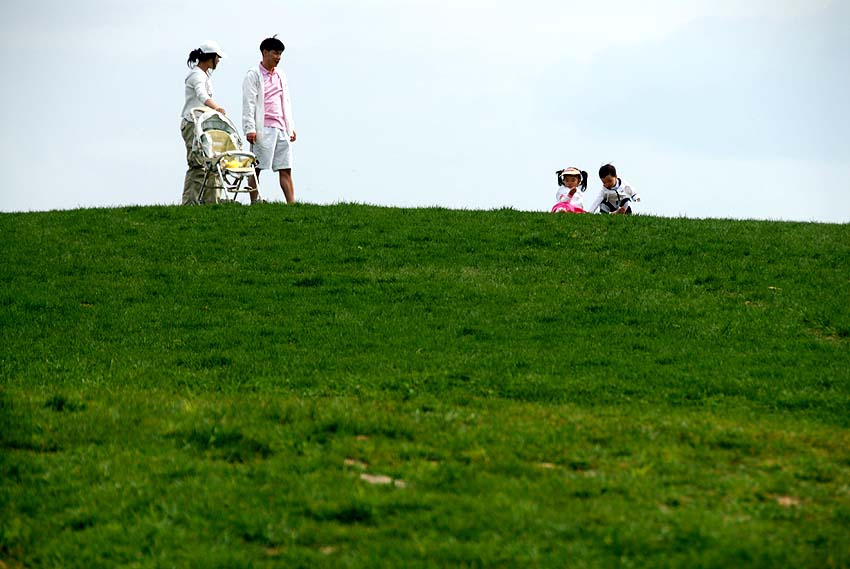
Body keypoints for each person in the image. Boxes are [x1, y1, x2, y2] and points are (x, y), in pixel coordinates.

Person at [242, 35, 297, 204]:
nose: (278, 57)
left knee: (286, 168)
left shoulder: (281, 74)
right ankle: (255, 201)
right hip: (262, 127)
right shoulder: (253, 74)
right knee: (257, 167)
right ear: (265, 52)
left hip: (281, 126)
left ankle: (292, 204)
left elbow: (286, 101)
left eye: (280, 54)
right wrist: (250, 128)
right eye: (275, 53)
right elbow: (249, 102)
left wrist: (290, 126)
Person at [180, 40, 228, 205]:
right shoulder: (196, 75)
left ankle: (210, 202)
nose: (219, 61)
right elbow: (201, 95)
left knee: (210, 164)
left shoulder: (203, 75)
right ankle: (190, 203)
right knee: (197, 165)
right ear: (211, 57)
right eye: (218, 58)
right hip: (193, 124)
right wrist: (217, 108)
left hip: (202, 125)